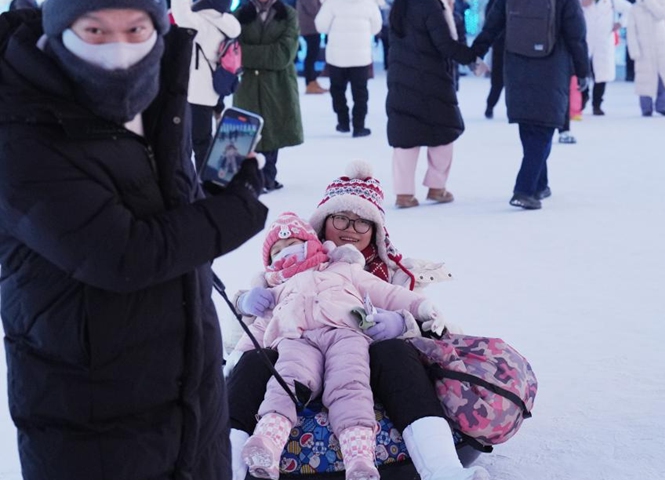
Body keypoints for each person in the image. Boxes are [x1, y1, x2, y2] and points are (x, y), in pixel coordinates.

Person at [0, 2, 269, 479]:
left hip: (193, 398)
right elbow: (122, 254)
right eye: (96, 29)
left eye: (135, 28)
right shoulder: (17, 125)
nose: (119, 48)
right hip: (89, 416)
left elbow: (160, 208)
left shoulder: (156, 91)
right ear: (60, 28)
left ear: (157, 27)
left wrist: (213, 195)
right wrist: (235, 210)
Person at [227, 162, 490, 480]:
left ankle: (442, 468)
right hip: (295, 366)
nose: (351, 228)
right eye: (341, 218)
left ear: (375, 231)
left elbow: (435, 325)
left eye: (363, 222)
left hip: (362, 378)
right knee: (257, 359)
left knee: (391, 352)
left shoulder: (396, 274)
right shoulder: (280, 274)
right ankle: (226, 463)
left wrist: (402, 323)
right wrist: (247, 303)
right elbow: (248, 331)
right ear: (322, 223)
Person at [239, 213, 443, 480]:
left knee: (350, 384)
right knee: (285, 382)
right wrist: (236, 359)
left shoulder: (344, 270)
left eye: (292, 245)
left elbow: (388, 293)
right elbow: (257, 327)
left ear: (311, 243)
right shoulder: (277, 288)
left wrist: (418, 309)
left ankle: (359, 458)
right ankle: (268, 443)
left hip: (346, 335)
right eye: (276, 252)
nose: (284, 253)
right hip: (297, 342)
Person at [471, 0, 590, 210]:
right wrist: (582, 71)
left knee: (529, 127)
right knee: (543, 131)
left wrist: (475, 53)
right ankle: (524, 190)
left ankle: (540, 185)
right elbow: (576, 36)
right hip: (552, 69)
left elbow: (492, 26)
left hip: (517, 68)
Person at [386, 0, 477, 208]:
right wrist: (470, 56)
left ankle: (404, 193)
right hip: (431, 79)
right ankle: (437, 187)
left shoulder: (401, 5)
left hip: (401, 79)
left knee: (405, 137)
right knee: (444, 132)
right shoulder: (430, 5)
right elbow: (444, 44)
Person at [233, 0, 304, 191]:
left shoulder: (288, 14)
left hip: (278, 84)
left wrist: (249, 54)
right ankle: (251, 177)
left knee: (273, 129)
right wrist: (264, 54)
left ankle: (268, 176)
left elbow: (282, 55)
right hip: (247, 84)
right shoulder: (239, 15)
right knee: (248, 130)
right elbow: (235, 52)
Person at [172, 0, 242, 170]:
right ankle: (207, 181)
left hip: (194, 90)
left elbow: (180, 12)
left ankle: (192, 182)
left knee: (187, 142)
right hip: (209, 91)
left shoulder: (200, 22)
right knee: (203, 139)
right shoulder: (228, 24)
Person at [315, 0, 382, 137]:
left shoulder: (332, 3)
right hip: (360, 57)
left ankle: (343, 122)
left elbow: (321, 26)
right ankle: (359, 126)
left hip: (337, 56)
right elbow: (376, 28)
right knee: (360, 92)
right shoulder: (369, 3)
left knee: (337, 90)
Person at [627, 0, 665, 116]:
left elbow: (661, 14)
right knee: (645, 80)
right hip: (644, 51)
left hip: (662, 49)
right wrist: (634, 51)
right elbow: (631, 31)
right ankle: (646, 108)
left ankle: (662, 106)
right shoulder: (635, 9)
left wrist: (649, 2)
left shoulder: (661, 3)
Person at [581, 0, 630, 115]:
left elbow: (629, 9)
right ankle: (583, 98)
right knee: (583, 72)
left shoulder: (611, 2)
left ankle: (597, 104)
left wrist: (621, 23)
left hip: (604, 41)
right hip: (586, 40)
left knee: (602, 75)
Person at [297, 0, 329, 93]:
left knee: (312, 55)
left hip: (311, 27)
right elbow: (313, 9)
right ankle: (310, 83)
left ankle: (312, 81)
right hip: (310, 28)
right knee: (311, 55)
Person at [483, 0, 505, 119]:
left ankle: (490, 106)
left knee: (497, 81)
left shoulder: (493, 3)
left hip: (499, 44)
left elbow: (489, 23)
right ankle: (490, 106)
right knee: (499, 81)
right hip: (505, 44)